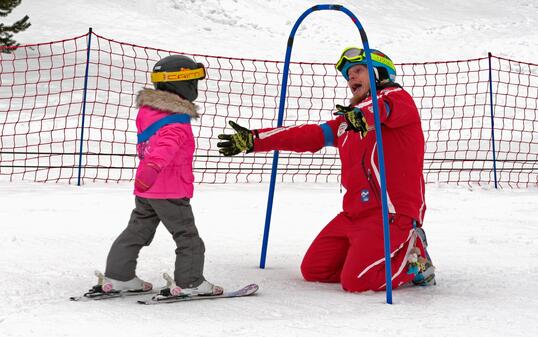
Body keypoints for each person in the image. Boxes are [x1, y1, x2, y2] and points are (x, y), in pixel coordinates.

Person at [217, 47, 435, 292]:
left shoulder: (397, 99)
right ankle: (372, 257)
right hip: (354, 214)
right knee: (314, 270)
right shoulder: (347, 123)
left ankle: (415, 261)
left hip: (391, 215)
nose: (351, 78)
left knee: (356, 282)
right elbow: (308, 135)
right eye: (349, 75)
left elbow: (381, 109)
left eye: (358, 70)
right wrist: (256, 141)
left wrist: (362, 116)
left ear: (379, 72)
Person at [94, 55, 223, 297]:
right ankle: (190, 282)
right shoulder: (176, 122)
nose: (196, 87)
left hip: (147, 189)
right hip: (169, 190)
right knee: (188, 238)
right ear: (181, 84)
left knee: (137, 231)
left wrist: (147, 175)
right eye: (193, 81)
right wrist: (151, 168)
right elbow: (164, 148)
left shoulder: (150, 112)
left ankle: (119, 276)